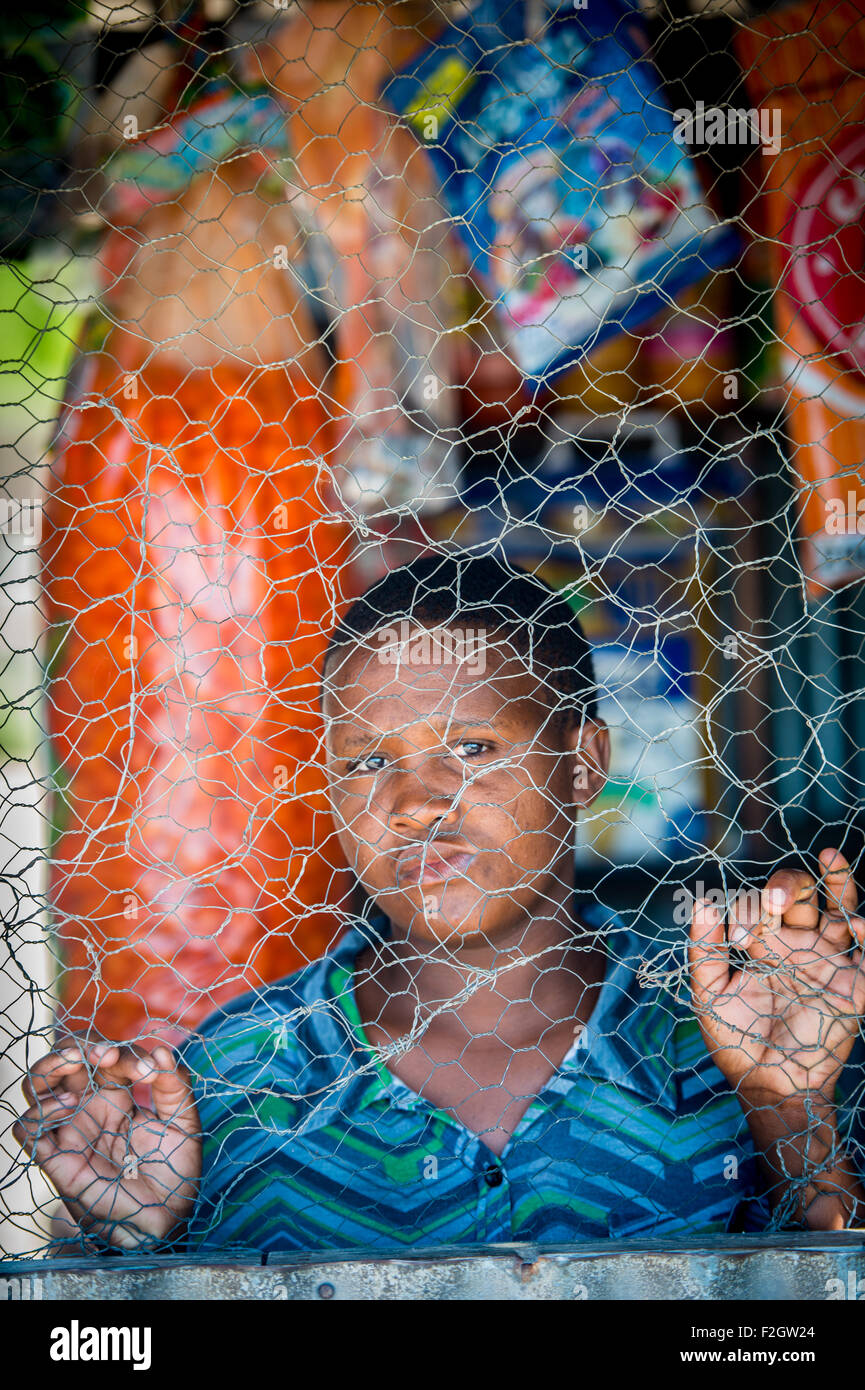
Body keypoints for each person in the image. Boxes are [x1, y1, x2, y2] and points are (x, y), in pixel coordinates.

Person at [16, 553, 865, 1251]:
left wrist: (789, 1109)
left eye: (472, 745)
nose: (419, 801)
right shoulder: (234, 1079)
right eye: (366, 762)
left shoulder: (727, 1031)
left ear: (581, 764)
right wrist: (139, 1250)